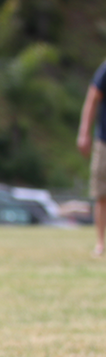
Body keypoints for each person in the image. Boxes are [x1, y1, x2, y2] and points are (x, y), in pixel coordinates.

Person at [76, 59, 106, 257]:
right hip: (104, 141)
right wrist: (84, 132)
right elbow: (92, 99)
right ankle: (100, 243)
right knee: (102, 194)